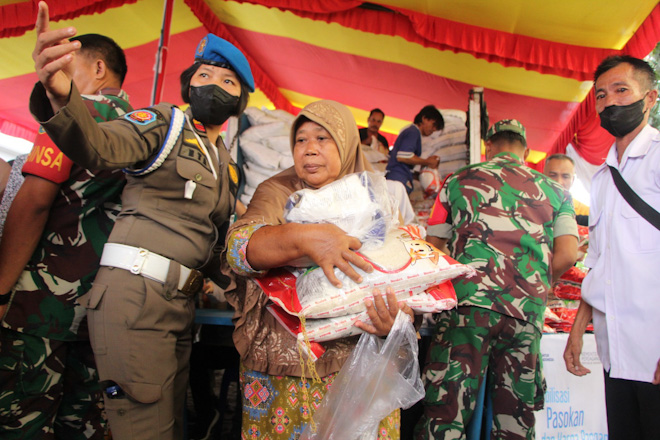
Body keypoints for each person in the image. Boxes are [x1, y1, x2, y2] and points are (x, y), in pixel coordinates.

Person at [26, 3, 253, 439]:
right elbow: (101, 146)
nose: (215, 86)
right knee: (144, 428)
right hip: (136, 293)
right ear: (188, 86)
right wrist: (59, 91)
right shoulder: (164, 124)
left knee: (169, 425)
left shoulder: (226, 165)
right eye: (205, 76)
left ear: (238, 101)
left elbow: (214, 244)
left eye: (228, 82)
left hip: (179, 304)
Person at [224, 99, 415, 439]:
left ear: (345, 143)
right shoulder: (278, 191)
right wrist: (304, 237)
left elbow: (404, 276)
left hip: (360, 366)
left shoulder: (378, 198)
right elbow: (239, 249)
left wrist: (397, 318)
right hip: (287, 371)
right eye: (301, 140)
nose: (309, 149)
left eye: (322, 138)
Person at [0, 33, 131, 439]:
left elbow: (36, 200)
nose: (56, 85)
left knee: (22, 423)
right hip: (99, 314)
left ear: (97, 69)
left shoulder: (79, 113)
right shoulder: (141, 130)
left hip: (39, 309)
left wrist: (1, 290)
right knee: (84, 424)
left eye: (66, 70)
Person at [417, 119, 578, 439]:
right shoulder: (558, 192)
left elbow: (432, 248)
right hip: (525, 313)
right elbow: (569, 254)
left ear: (488, 147)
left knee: (447, 413)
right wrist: (534, 285)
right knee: (514, 418)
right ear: (526, 151)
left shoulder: (456, 180)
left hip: (466, 310)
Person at [563, 55, 660, 440]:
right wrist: (578, 327)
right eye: (601, 95)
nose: (610, 102)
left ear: (649, 98)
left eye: (622, 90)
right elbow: (599, 263)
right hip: (615, 351)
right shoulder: (602, 178)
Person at [386, 105, 442, 194]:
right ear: (424, 118)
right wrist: (427, 162)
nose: (434, 129)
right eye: (434, 125)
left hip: (399, 176)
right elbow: (402, 157)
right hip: (398, 177)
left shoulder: (413, 132)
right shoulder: (413, 132)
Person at [543, 153, 589, 225]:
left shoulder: (584, 211)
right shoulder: (529, 205)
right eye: (552, 175)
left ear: (572, 180)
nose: (558, 182)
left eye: (565, 177)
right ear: (543, 177)